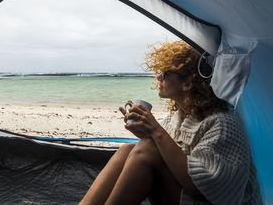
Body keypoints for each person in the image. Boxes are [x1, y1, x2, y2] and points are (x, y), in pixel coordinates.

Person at [79, 40, 262, 205]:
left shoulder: (223, 123)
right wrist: (148, 135)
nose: (158, 78)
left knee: (146, 150)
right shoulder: (179, 118)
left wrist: (156, 133)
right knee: (128, 149)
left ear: (187, 83)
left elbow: (200, 189)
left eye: (165, 74)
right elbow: (167, 159)